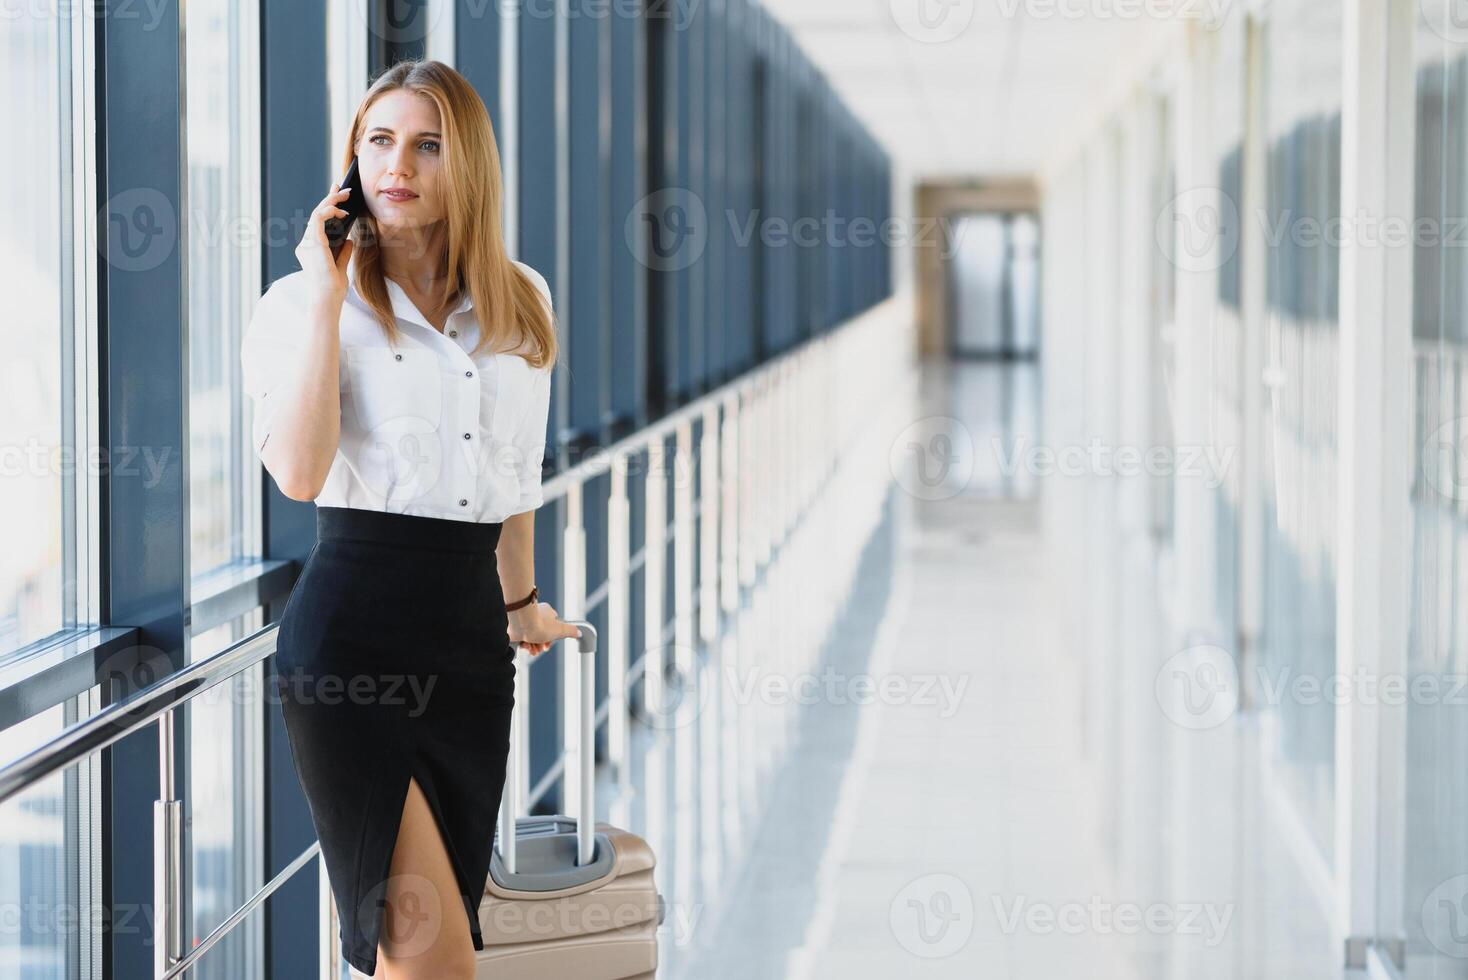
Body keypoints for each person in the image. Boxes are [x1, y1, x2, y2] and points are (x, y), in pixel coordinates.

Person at [239, 58, 580, 979]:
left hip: (471, 652)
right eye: (378, 141)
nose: (398, 164)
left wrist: (524, 607)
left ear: (465, 165)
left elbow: (512, 483)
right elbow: (301, 474)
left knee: (428, 951)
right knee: (432, 960)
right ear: (352, 160)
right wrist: (326, 291)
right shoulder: (298, 305)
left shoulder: (522, 298)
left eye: (427, 145)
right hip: (351, 650)